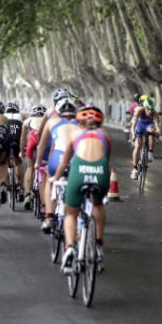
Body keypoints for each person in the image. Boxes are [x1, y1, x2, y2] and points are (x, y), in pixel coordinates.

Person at [50, 106, 111, 274]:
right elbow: (106, 159)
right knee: (98, 204)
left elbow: (64, 163)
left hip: (79, 171)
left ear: (80, 122)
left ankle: (69, 248)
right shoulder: (105, 135)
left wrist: (54, 178)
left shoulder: (75, 134)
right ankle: (98, 244)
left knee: (71, 213)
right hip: (100, 172)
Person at [37, 98, 79, 233]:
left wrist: (38, 163)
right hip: (76, 159)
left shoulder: (52, 121)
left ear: (58, 112)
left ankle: (49, 217)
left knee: (50, 181)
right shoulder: (81, 123)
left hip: (57, 158)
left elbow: (41, 146)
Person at [21, 104, 47, 208]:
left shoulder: (28, 121)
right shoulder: (48, 121)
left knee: (30, 168)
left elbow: (22, 139)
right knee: (43, 169)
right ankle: (44, 199)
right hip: (43, 143)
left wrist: (21, 151)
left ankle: (27, 195)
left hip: (32, 142)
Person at [129, 97, 161, 179]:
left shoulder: (155, 114)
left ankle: (150, 152)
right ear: (145, 107)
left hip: (148, 126)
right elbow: (133, 126)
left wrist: (157, 132)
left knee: (152, 131)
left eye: (152, 109)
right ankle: (134, 168)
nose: (150, 111)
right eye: (148, 109)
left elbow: (157, 127)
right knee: (138, 146)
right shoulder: (139, 110)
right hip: (139, 126)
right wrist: (133, 135)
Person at [4, 101, 24, 197]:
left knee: (4, 161)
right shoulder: (21, 116)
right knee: (18, 162)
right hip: (16, 140)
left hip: (6, 140)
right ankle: (20, 187)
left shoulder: (3, 116)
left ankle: (7, 182)